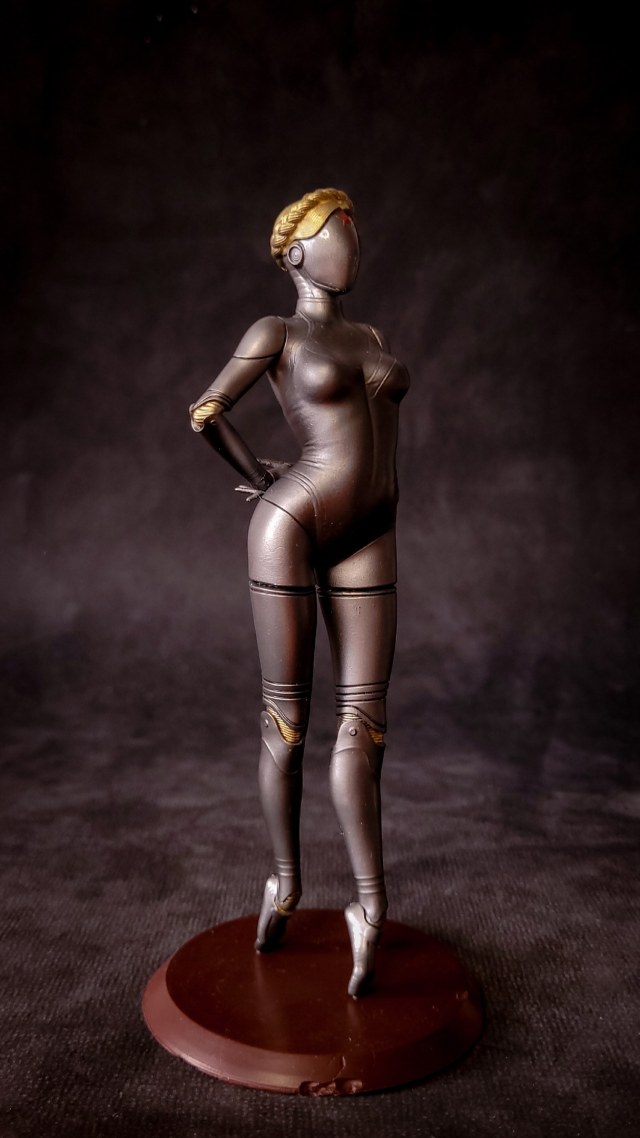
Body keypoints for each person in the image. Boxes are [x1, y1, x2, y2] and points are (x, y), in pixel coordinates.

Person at [190, 188, 409, 997]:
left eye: (353, 227)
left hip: (370, 531)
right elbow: (207, 411)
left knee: (365, 724)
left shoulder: (370, 336)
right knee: (287, 721)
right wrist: (262, 480)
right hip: (294, 523)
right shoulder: (275, 333)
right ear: (294, 254)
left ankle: (370, 907)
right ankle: (284, 881)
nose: (351, 241)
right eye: (333, 230)